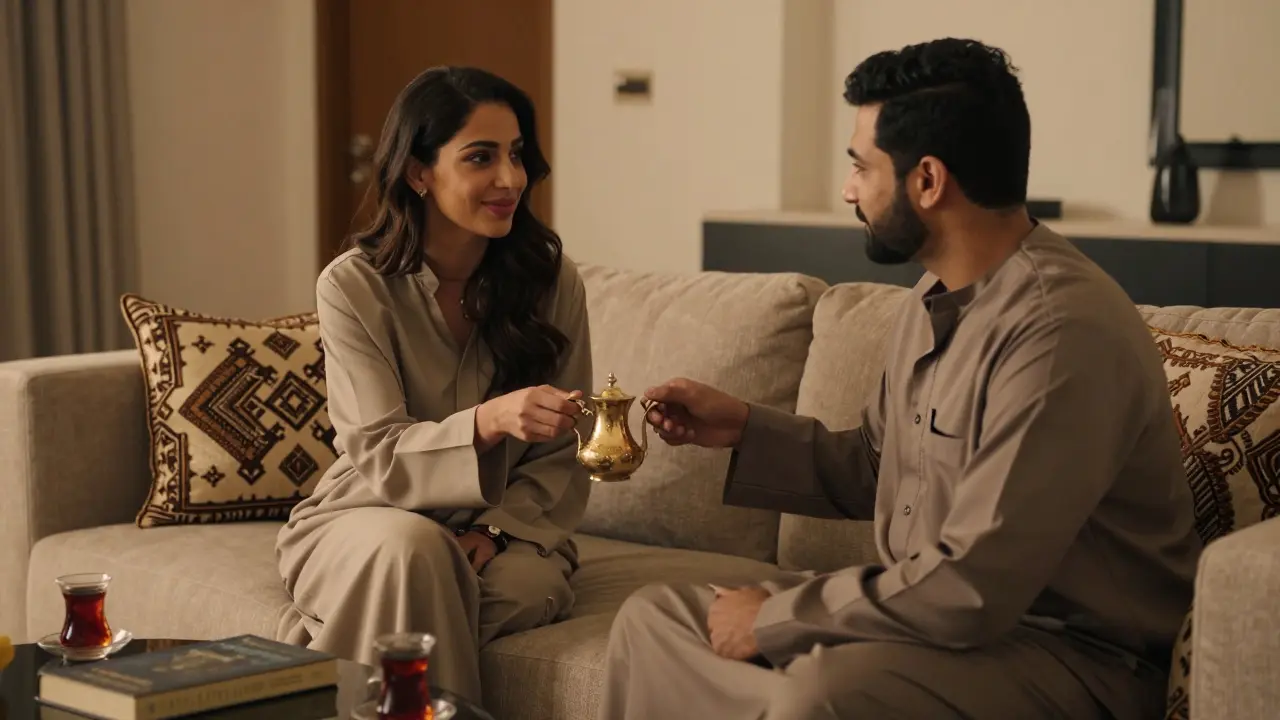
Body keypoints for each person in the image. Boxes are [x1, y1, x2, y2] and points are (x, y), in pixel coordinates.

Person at [598, 38, 1202, 720]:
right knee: (657, 620)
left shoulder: (1059, 331)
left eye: (862, 166)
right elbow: (879, 466)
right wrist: (742, 427)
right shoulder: (929, 299)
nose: (848, 189)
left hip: (1070, 655)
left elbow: (975, 583)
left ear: (928, 181)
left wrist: (772, 619)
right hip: (934, 625)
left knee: (823, 692)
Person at [275, 66, 593, 706]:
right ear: (419, 172)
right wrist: (488, 421)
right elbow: (378, 449)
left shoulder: (552, 281)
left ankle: (330, 658)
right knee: (414, 552)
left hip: (508, 535)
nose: (509, 179)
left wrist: (494, 532)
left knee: (508, 589)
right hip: (367, 514)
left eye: (516, 155)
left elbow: (564, 452)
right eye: (481, 157)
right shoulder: (352, 286)